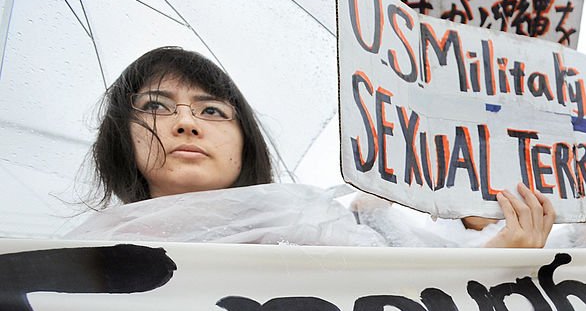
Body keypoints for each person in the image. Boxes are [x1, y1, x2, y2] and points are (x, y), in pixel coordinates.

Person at [86, 46, 554, 248]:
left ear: (246, 143)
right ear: (119, 138)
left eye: (212, 111)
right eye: (156, 107)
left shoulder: (306, 224)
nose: (186, 123)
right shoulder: (85, 260)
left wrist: (501, 254)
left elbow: (416, 293)